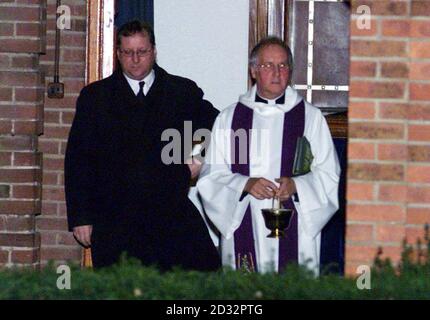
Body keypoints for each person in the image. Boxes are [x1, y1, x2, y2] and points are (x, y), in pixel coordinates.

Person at [65, 20, 221, 271]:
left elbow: (218, 126)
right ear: (117, 54)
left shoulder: (180, 91)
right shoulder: (96, 97)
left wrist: (198, 161)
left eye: (142, 51)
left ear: (154, 51)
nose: (135, 59)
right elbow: (78, 160)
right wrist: (81, 217)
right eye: (128, 52)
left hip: (169, 215)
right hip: (114, 219)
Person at [196, 37, 340, 274]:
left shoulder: (311, 118)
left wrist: (297, 186)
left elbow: (329, 175)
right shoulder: (229, 119)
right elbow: (211, 177)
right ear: (253, 71)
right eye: (267, 65)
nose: (276, 72)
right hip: (245, 218)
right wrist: (245, 184)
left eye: (283, 66)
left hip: (296, 225)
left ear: (290, 71)